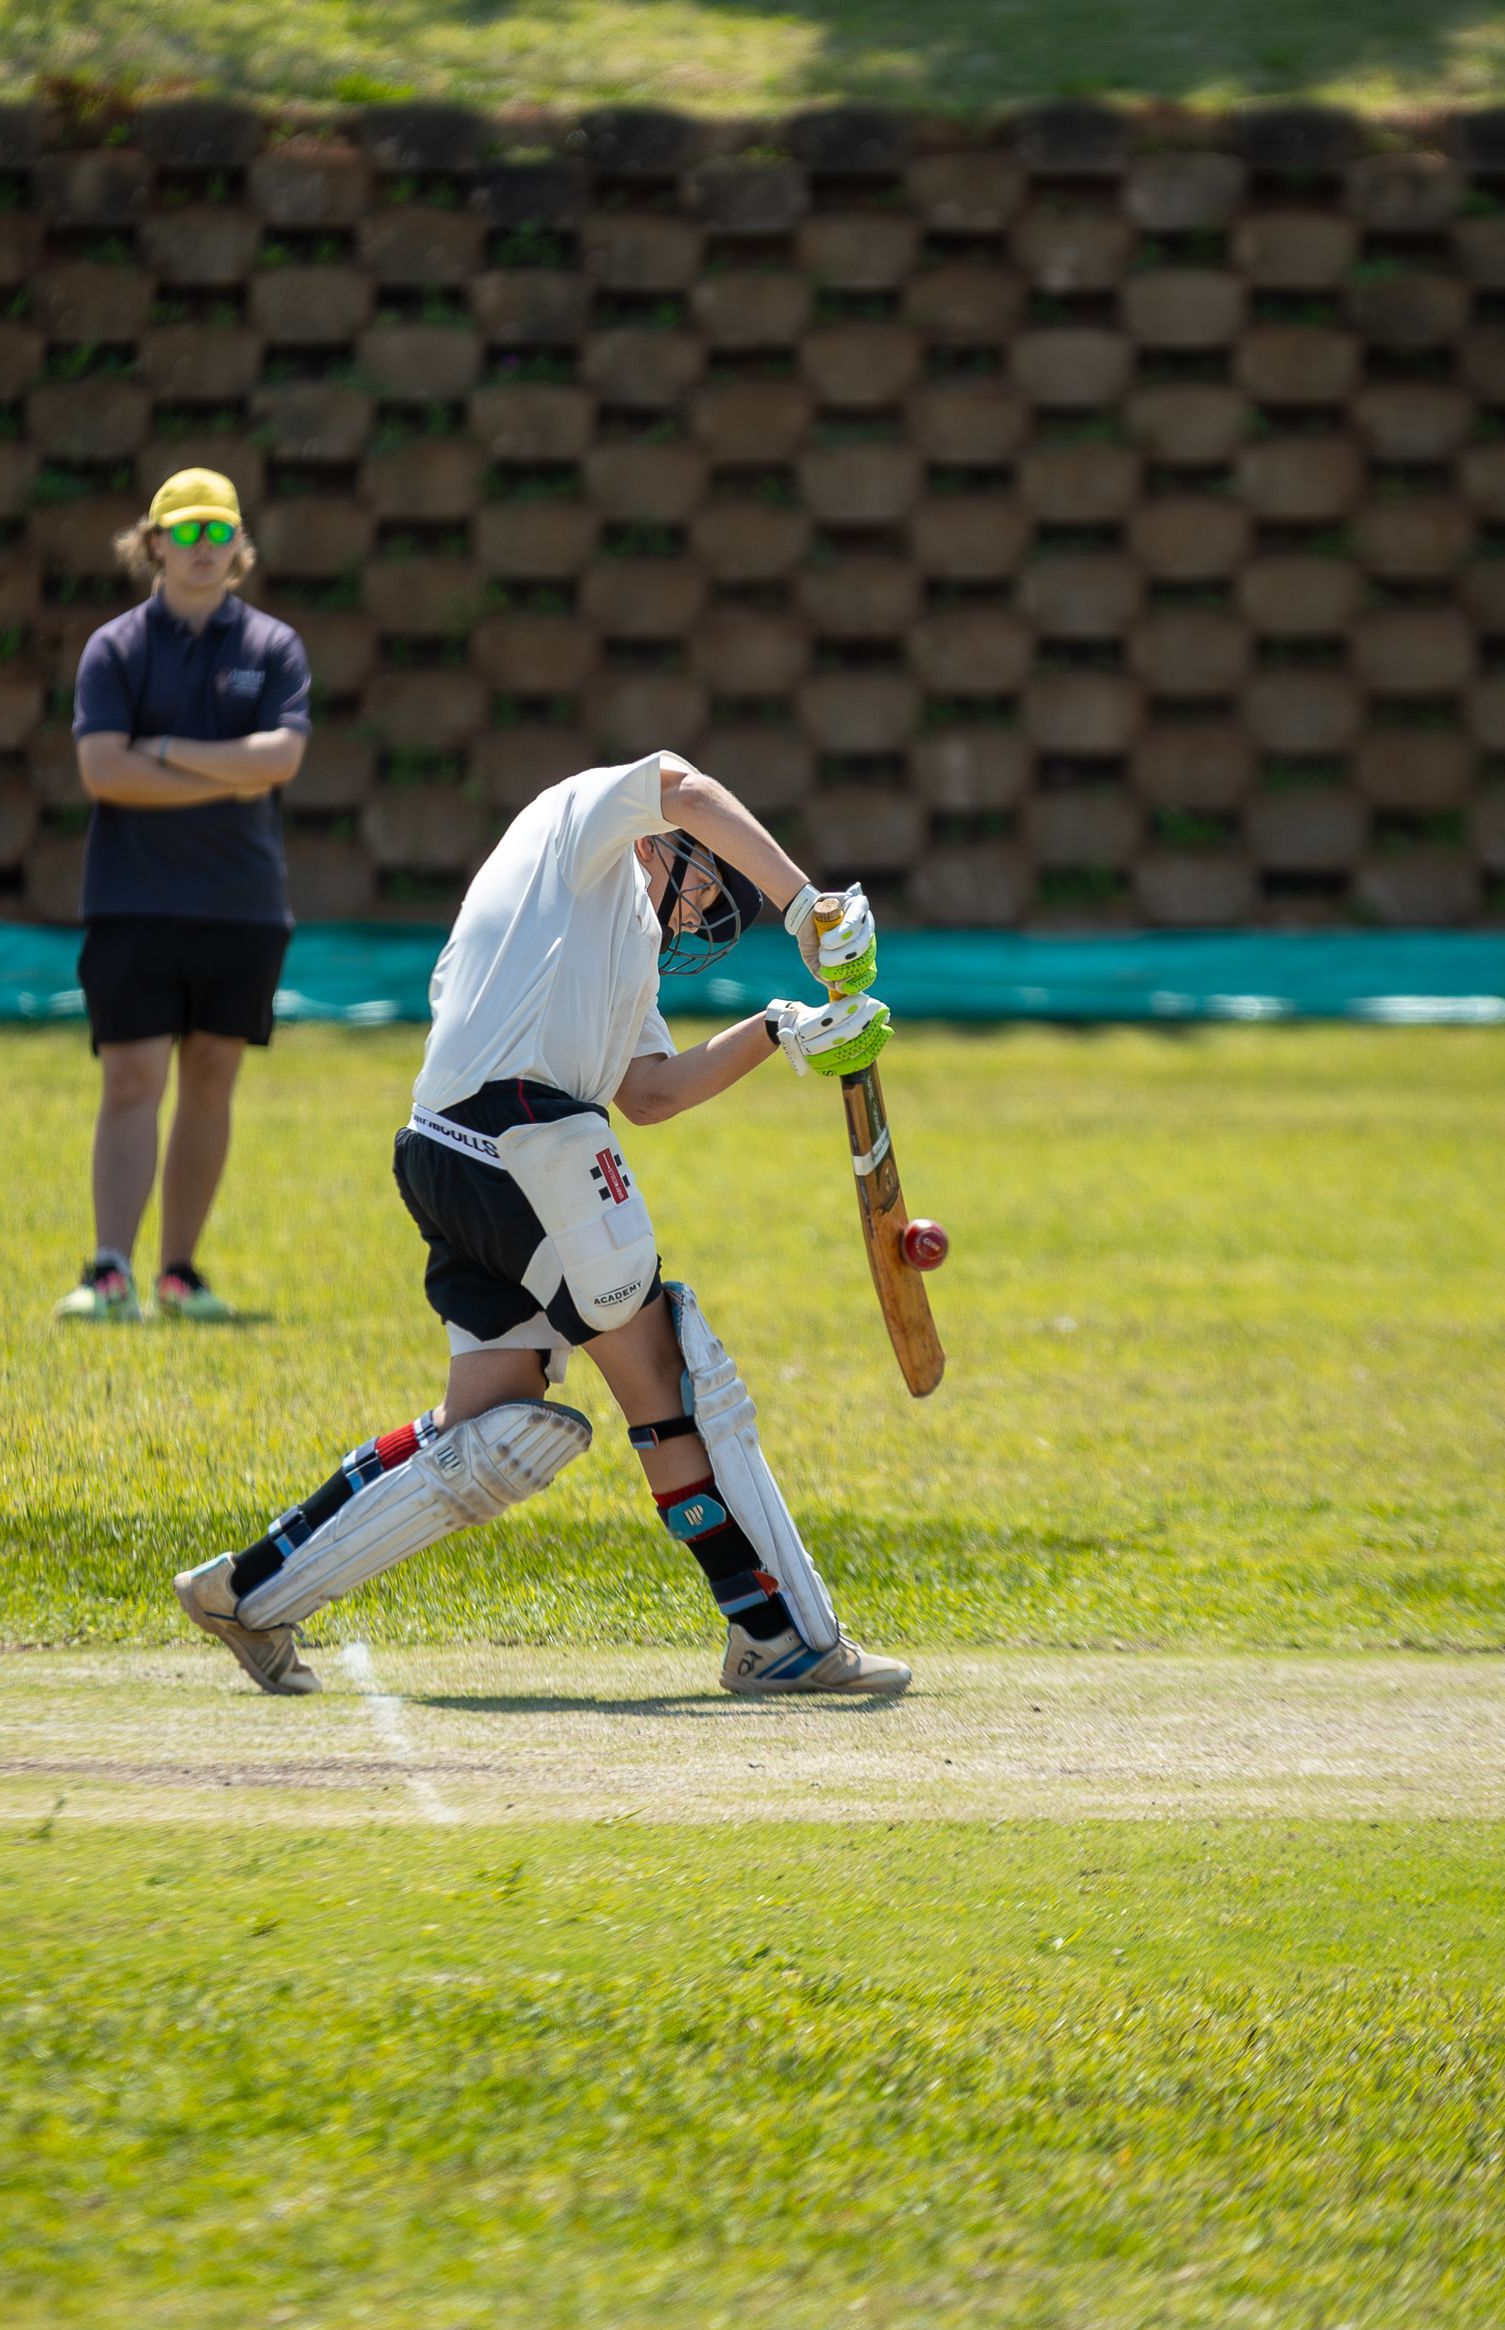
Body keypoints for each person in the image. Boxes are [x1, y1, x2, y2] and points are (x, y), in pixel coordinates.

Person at [174, 749, 914, 1698]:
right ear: (665, 843)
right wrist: (805, 903)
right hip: (521, 1134)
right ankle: (777, 1632)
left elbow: (646, 1093)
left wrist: (781, 1031)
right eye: (701, 879)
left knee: (491, 1425)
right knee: (669, 1372)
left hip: (446, 1150)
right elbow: (683, 785)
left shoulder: (617, 940)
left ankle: (249, 1590)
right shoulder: (577, 819)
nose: (697, 910)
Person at [55, 467, 311, 1326]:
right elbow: (102, 772)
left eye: (219, 533)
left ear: (238, 546)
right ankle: (109, 1271)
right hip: (131, 901)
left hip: (242, 904)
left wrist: (161, 750)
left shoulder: (272, 646)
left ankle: (179, 1275)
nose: (204, 550)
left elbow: (279, 762)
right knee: (131, 1078)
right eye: (186, 532)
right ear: (153, 543)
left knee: (211, 1077)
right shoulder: (116, 648)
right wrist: (224, 768)